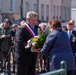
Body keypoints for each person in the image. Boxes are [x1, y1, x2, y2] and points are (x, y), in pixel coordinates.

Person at [14, 11, 40, 75]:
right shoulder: (21, 29)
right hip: (23, 58)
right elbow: (19, 42)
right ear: (27, 19)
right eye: (32, 20)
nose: (34, 22)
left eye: (35, 20)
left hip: (33, 57)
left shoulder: (37, 28)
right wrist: (30, 49)